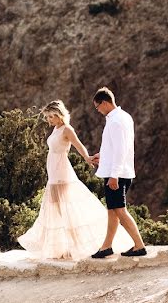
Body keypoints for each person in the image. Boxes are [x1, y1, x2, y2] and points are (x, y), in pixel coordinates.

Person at [18, 100, 132, 260]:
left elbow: (78, 145)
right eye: (47, 117)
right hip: (53, 172)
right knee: (56, 210)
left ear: (59, 115)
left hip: (62, 172)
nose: (49, 120)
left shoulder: (66, 129)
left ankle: (77, 246)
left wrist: (87, 158)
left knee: (66, 209)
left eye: (51, 117)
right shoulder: (56, 129)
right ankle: (64, 247)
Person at [89, 87, 147, 258]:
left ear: (105, 102)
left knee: (120, 210)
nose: (97, 110)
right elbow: (117, 146)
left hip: (117, 174)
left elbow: (121, 150)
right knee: (112, 211)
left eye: (97, 107)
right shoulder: (123, 117)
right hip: (118, 170)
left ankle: (139, 245)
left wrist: (114, 175)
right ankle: (106, 247)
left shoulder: (116, 121)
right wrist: (103, 156)